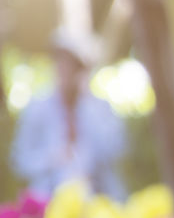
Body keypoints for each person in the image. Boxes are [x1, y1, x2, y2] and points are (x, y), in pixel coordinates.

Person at [10, 30, 127, 199]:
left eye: (71, 64)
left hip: (98, 197)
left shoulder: (100, 108)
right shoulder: (36, 108)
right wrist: (52, 158)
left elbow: (116, 150)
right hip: (49, 200)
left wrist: (88, 106)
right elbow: (20, 161)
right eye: (59, 61)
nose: (63, 69)